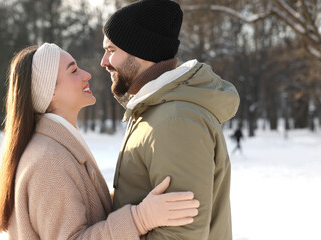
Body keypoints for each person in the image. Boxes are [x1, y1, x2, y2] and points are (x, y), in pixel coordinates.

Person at [0, 43, 200, 239]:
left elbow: (86, 211)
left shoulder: (57, 147)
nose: (87, 74)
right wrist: (140, 218)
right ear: (50, 90)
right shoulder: (48, 161)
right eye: (73, 71)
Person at [100, 0, 240, 239]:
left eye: (111, 50)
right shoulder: (155, 111)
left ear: (139, 50)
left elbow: (181, 234)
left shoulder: (175, 120)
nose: (104, 62)